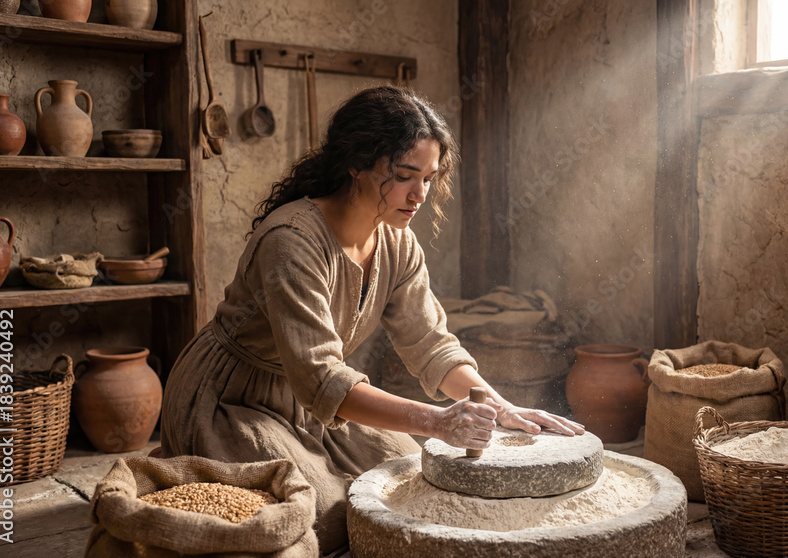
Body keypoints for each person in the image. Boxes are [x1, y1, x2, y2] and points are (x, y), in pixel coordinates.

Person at [160, 86, 584, 552]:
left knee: (408, 479)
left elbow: (431, 345)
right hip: (231, 399)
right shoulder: (292, 240)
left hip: (315, 405)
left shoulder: (397, 243)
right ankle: (194, 453)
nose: (420, 194)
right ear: (356, 165)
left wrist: (505, 409)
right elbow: (321, 376)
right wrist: (440, 421)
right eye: (405, 176)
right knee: (326, 511)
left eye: (429, 177)